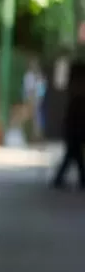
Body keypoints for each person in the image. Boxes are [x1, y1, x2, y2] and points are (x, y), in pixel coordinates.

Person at [52, 62, 85, 190]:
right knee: (73, 155)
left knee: (73, 155)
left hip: (74, 131)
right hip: (74, 131)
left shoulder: (76, 97)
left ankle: (62, 179)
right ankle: (79, 179)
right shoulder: (78, 99)